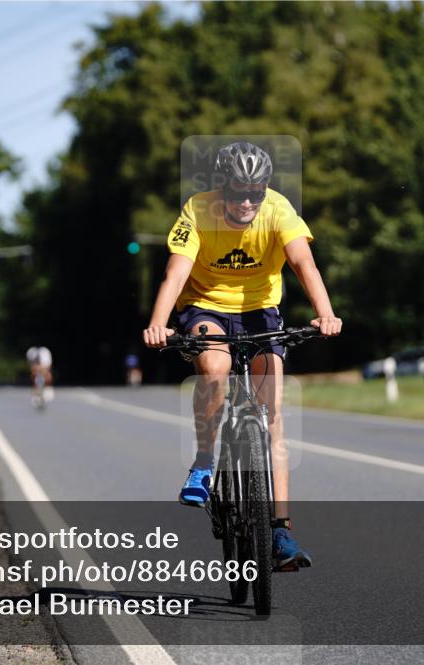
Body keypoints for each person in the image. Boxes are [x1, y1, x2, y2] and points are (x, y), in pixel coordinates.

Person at [142, 141, 342, 570]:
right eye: (238, 191)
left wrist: (325, 314)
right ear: (223, 187)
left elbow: (304, 263)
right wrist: (158, 323)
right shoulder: (197, 210)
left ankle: (281, 531)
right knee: (214, 368)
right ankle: (202, 464)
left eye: (257, 190)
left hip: (260, 312)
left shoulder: (278, 209)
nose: (248, 201)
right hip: (206, 307)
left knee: (272, 417)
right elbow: (176, 272)